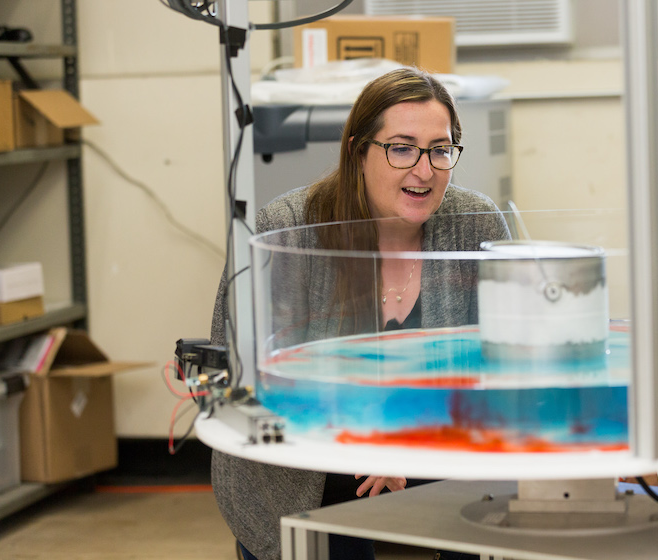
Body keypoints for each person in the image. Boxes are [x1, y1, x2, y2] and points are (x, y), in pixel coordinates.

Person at [209, 67, 510, 560]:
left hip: (441, 445)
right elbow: (243, 376)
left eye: (441, 148)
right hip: (309, 463)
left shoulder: (473, 224)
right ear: (357, 151)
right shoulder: (286, 230)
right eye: (401, 147)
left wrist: (404, 440)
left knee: (482, 519)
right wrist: (364, 442)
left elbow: (505, 365)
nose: (425, 169)